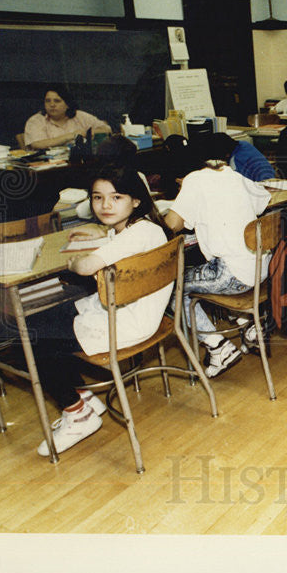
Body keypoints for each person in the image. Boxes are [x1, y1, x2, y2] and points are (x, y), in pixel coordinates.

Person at [27, 166, 173, 456]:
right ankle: (82, 396)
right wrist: (101, 236)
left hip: (127, 323)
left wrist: (74, 262)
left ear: (136, 201)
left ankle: (78, 414)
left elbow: (85, 267)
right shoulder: (146, 228)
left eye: (116, 197)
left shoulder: (136, 234)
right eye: (98, 197)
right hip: (134, 313)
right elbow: (119, 245)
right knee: (44, 318)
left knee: (34, 338)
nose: (105, 205)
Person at [164, 148, 273, 377]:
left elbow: (172, 224)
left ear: (181, 178)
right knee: (205, 271)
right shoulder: (232, 174)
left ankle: (216, 345)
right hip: (262, 271)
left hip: (233, 275)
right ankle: (249, 326)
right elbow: (264, 201)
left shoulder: (193, 180)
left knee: (171, 291)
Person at [23, 85, 111, 150]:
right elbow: (37, 144)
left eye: (57, 101)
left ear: (68, 104)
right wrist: (71, 136)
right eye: (48, 101)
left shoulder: (79, 115)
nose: (52, 105)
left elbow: (107, 129)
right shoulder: (36, 120)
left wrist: (88, 133)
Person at [196, 132, 276, 182]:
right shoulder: (243, 144)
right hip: (271, 178)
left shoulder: (235, 160)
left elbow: (236, 182)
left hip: (262, 185)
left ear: (226, 155)